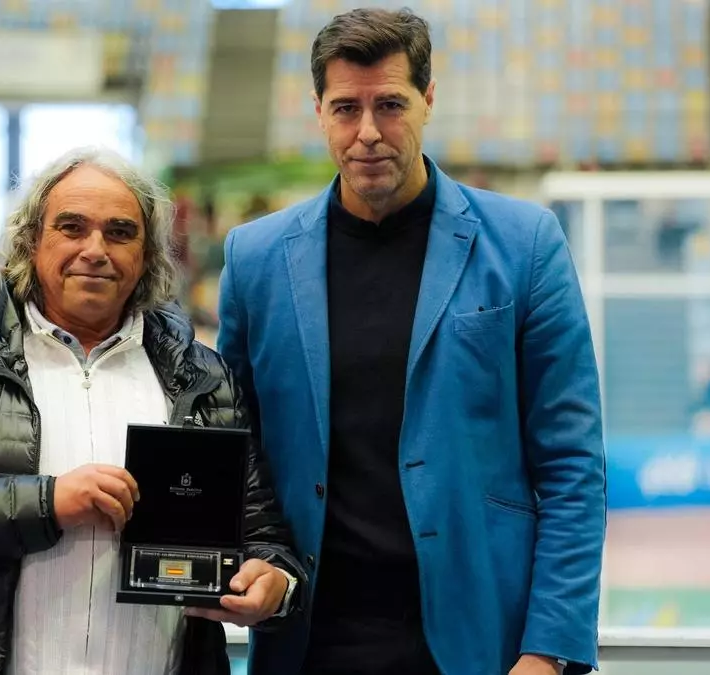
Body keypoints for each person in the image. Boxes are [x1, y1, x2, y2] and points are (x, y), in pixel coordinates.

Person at [216, 8, 606, 675]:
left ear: (428, 99)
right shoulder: (254, 260)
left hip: (475, 643)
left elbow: (572, 466)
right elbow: (237, 452)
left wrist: (548, 653)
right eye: (346, 108)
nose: (368, 132)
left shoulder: (524, 245)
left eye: (390, 105)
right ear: (318, 111)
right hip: (308, 645)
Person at [0, 146, 306, 675]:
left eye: (120, 232)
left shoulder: (203, 377)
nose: (95, 250)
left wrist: (275, 583)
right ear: (31, 241)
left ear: (148, 254)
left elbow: (263, 536)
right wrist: (47, 503)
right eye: (72, 227)